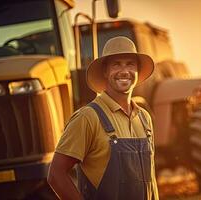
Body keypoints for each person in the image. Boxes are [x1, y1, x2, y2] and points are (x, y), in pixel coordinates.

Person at [47, 36, 159, 200]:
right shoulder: (87, 117)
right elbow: (56, 174)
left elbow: (151, 182)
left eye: (130, 64)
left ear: (137, 71)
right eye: (116, 64)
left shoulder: (144, 118)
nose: (124, 71)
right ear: (105, 72)